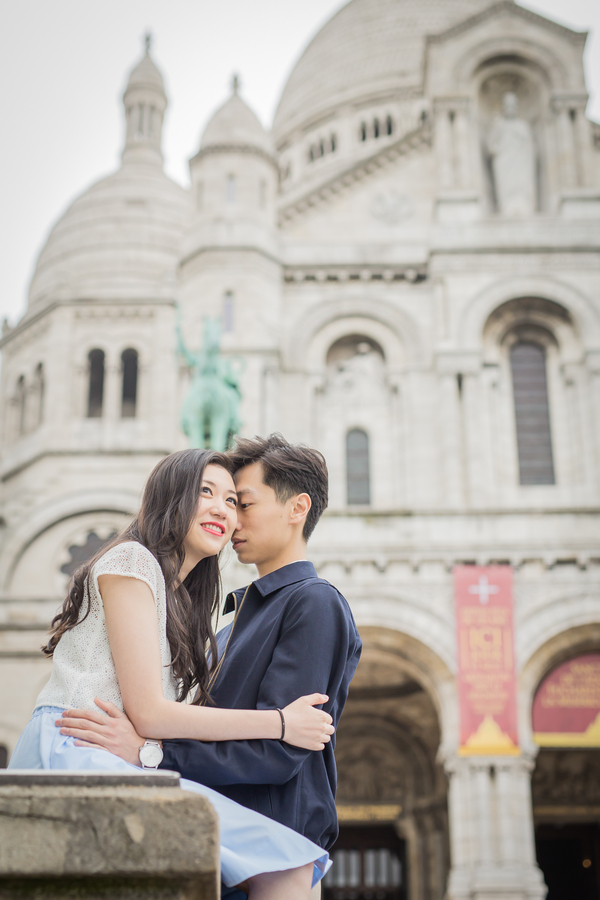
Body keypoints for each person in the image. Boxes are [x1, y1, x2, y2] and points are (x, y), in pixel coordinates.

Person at [9, 448, 335, 900]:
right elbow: (151, 714)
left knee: (289, 864)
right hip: (77, 746)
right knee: (289, 864)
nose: (223, 510)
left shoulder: (180, 598)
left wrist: (148, 752)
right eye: (206, 492)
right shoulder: (134, 561)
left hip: (104, 753)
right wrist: (281, 722)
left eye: (234, 501)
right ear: (172, 496)